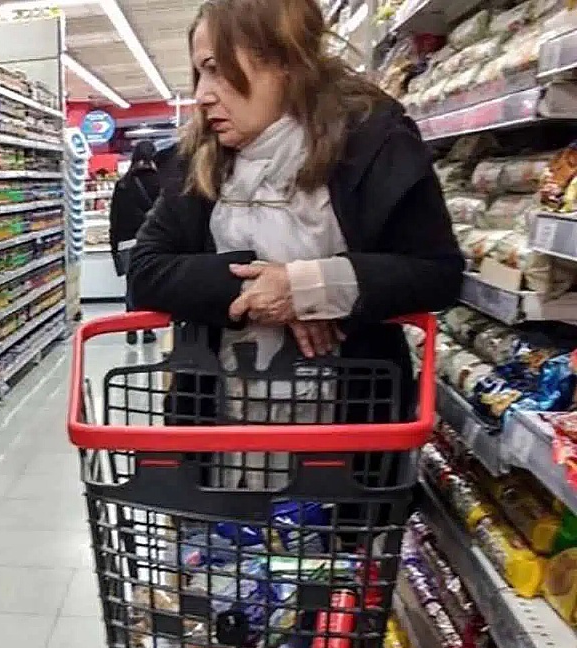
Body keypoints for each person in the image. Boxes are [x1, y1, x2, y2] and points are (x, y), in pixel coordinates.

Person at [127, 0, 462, 416]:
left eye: (216, 69)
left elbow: (437, 273)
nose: (201, 95)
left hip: (353, 420)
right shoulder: (198, 160)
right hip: (216, 421)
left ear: (282, 60)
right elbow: (146, 270)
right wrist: (258, 294)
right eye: (200, 74)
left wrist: (310, 287)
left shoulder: (376, 143)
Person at [108, 141, 161, 344]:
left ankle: (130, 326)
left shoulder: (123, 184)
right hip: (152, 242)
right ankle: (147, 328)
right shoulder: (161, 182)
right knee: (149, 284)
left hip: (126, 243)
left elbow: (115, 220)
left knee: (131, 284)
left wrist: (114, 248)